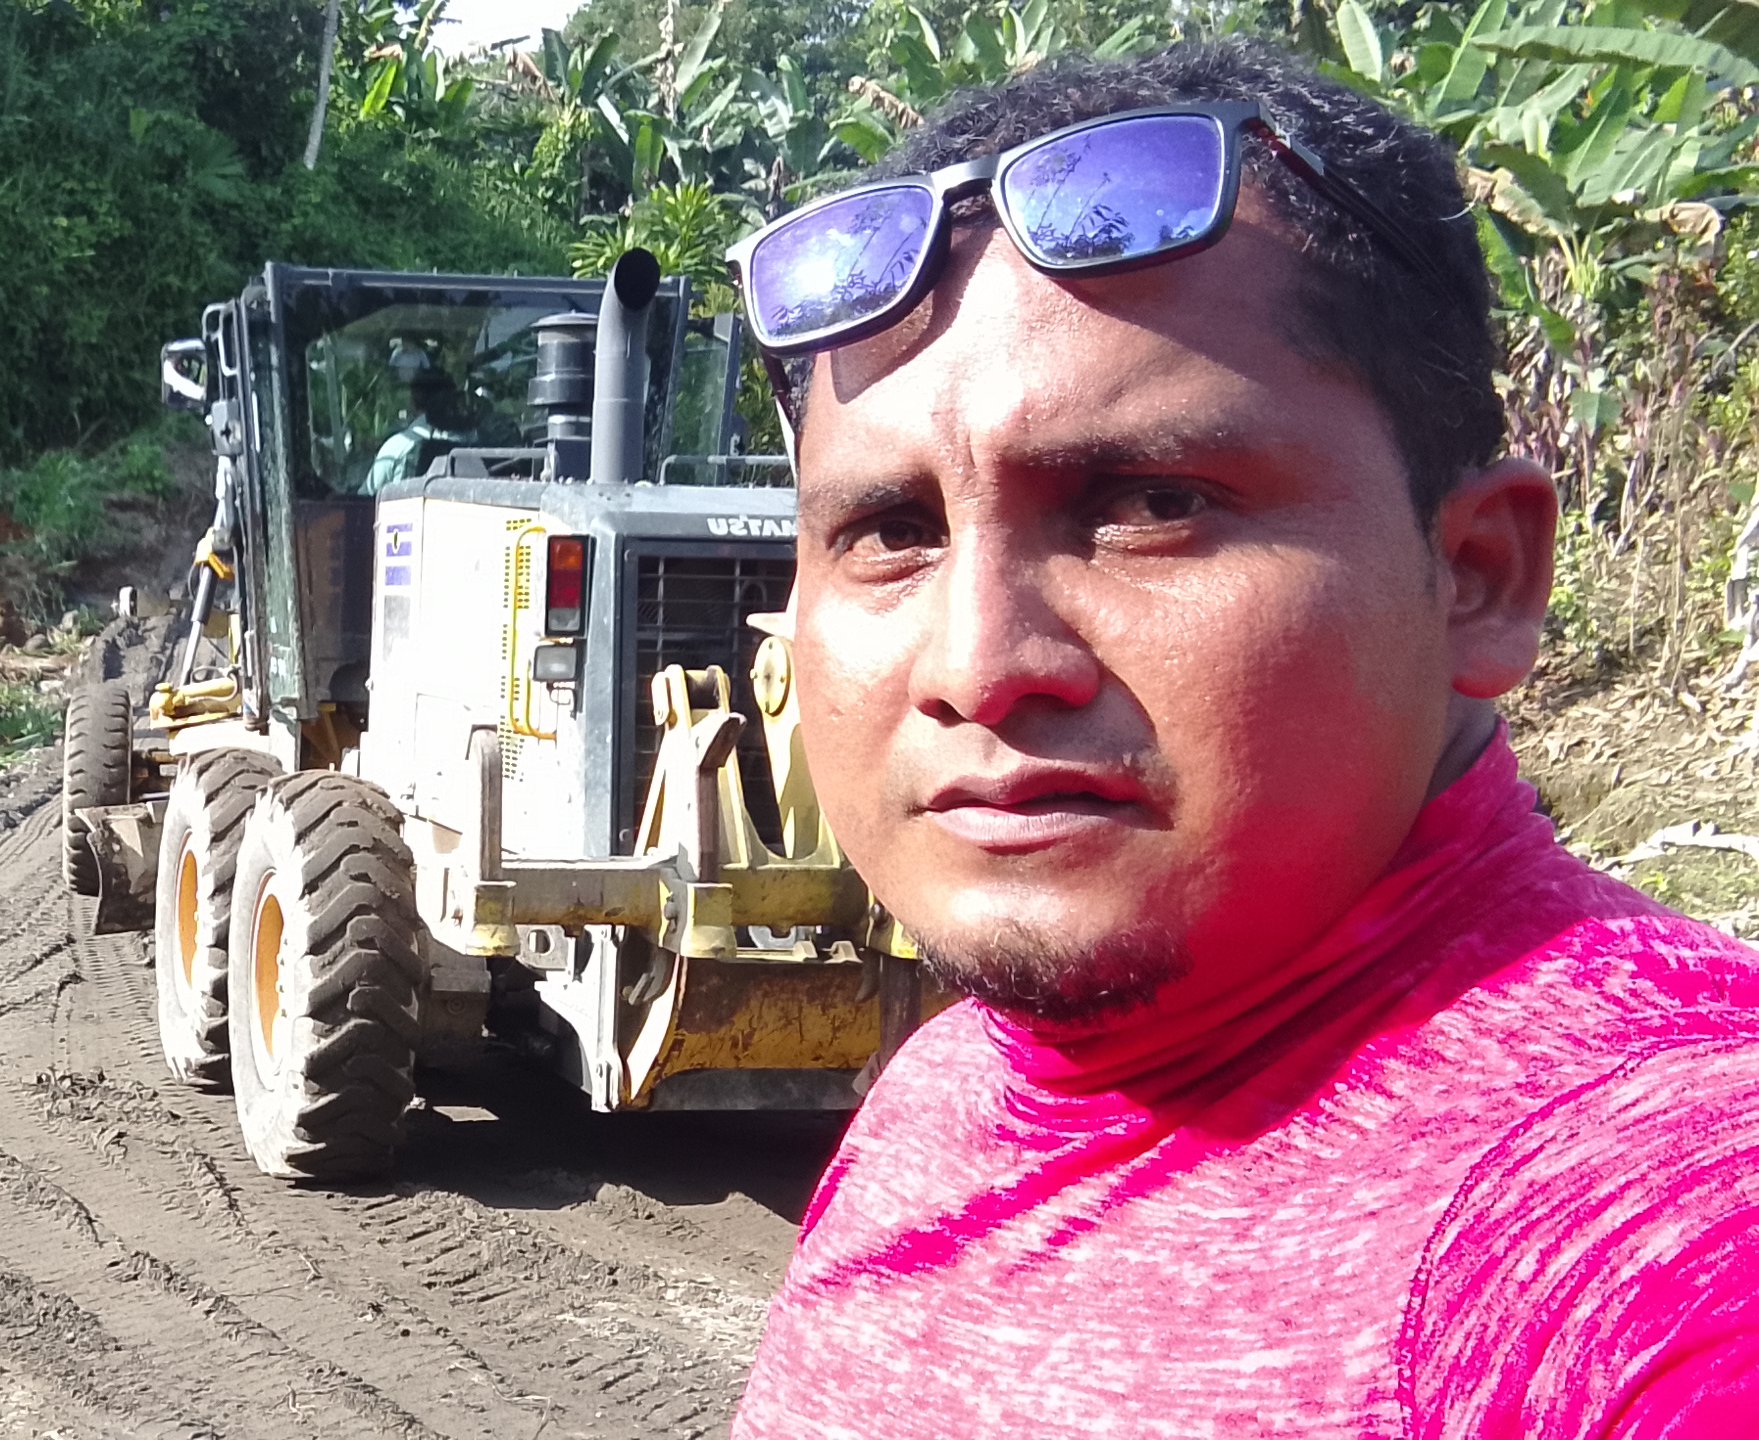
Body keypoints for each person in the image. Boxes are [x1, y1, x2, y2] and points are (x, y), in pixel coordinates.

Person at [728, 40, 1759, 1438]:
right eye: (891, 532)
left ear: (1478, 577)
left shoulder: (1660, 1215)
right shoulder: (951, 1087)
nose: (978, 668)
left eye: (1150, 502)